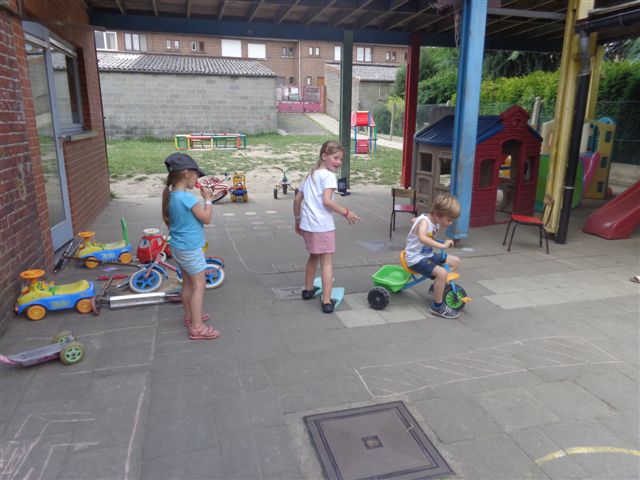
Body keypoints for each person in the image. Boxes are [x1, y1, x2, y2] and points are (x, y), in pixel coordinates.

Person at [293, 140, 360, 313]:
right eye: (335, 158)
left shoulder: (309, 175)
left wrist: (297, 220)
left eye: (341, 159)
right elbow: (327, 201)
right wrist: (346, 212)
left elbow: (297, 200)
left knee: (313, 256)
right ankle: (327, 301)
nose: (339, 162)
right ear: (324, 156)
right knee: (327, 263)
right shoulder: (329, 176)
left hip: (307, 225)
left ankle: (308, 290)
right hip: (322, 226)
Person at [162, 153, 221, 340]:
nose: (197, 179)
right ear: (186, 173)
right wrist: (208, 199)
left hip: (178, 247)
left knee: (187, 282)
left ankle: (190, 316)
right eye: (196, 175)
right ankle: (197, 327)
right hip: (190, 249)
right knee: (199, 285)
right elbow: (207, 218)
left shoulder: (172, 196)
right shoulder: (188, 199)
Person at [405, 193, 461, 319]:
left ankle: (435, 287)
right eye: (449, 220)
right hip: (416, 259)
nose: (450, 223)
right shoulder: (425, 222)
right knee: (442, 273)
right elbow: (422, 237)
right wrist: (442, 245)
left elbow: (418, 222)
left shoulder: (433, 221)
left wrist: (414, 220)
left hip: (426, 255)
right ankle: (437, 306)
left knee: (455, 261)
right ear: (438, 214)